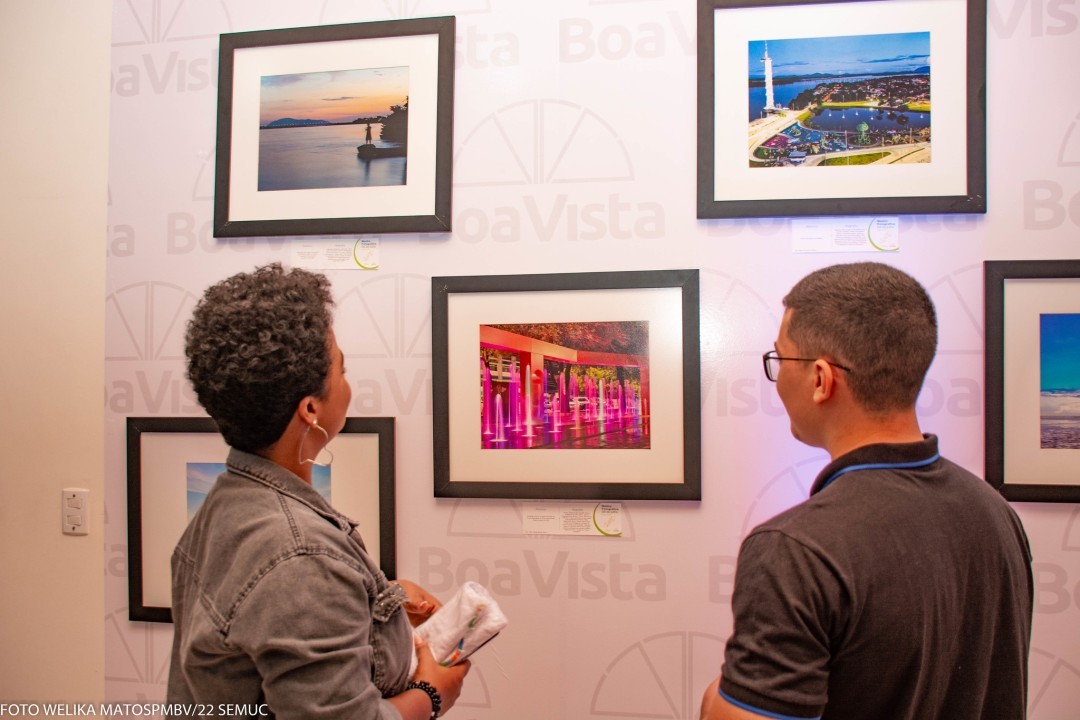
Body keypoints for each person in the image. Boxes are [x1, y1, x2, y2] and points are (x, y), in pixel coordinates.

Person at [700, 262, 1033, 720]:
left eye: (780, 360)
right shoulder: (995, 511)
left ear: (821, 379)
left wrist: (716, 699)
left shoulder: (796, 549)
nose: (777, 380)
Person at [168, 263, 469, 719]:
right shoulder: (302, 555)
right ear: (310, 408)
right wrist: (432, 694)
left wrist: (381, 604)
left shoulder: (227, 505)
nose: (348, 385)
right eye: (342, 370)